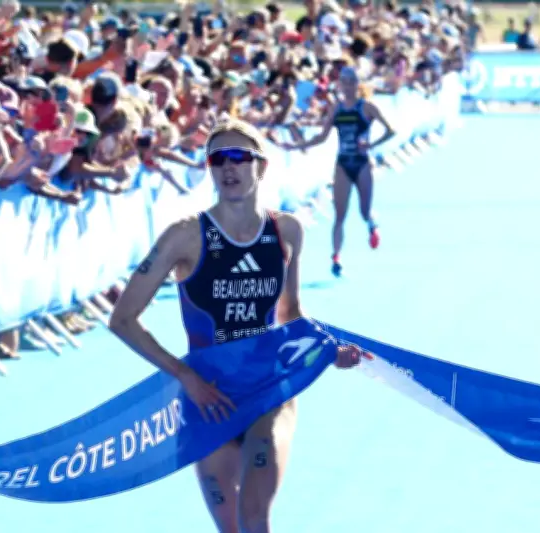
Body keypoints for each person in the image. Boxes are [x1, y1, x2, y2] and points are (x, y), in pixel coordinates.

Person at [109, 118, 363, 533]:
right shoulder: (185, 236)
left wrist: (328, 350)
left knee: (254, 517)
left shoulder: (287, 230)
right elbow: (122, 319)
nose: (228, 167)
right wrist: (185, 376)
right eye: (217, 159)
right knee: (231, 528)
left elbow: (290, 315)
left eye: (239, 157)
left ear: (260, 167)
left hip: (268, 390)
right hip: (209, 397)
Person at [282, 66, 394, 277]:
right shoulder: (337, 109)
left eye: (351, 81)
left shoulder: (366, 107)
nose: (348, 86)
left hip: (362, 162)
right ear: (340, 85)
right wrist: (296, 146)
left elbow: (391, 130)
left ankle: (372, 224)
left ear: (357, 84)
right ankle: (336, 257)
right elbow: (322, 137)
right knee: (339, 214)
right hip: (343, 163)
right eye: (344, 82)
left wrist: (371, 145)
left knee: (363, 210)